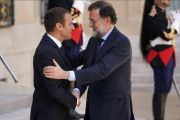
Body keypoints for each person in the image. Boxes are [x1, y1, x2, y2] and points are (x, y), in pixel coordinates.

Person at [43, 1, 135, 120]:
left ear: (107, 20)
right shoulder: (94, 41)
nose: (90, 25)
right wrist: (77, 90)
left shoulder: (122, 43)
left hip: (114, 110)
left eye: (93, 20)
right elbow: (84, 66)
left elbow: (100, 70)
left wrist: (66, 74)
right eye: (90, 20)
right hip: (94, 109)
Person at [30, 7, 80, 120]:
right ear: (59, 26)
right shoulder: (47, 51)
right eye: (70, 24)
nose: (73, 27)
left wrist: (93, 49)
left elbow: (72, 60)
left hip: (57, 112)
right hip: (48, 114)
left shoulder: (54, 45)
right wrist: (75, 100)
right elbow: (54, 89)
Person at [140, 0, 180, 120]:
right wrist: (177, 23)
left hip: (167, 54)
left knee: (165, 87)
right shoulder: (154, 15)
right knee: (161, 87)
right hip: (160, 55)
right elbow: (166, 34)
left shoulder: (163, 13)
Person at [48, 0, 85, 119]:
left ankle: (70, 106)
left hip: (73, 35)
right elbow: (61, 15)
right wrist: (76, 8)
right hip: (66, 39)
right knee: (65, 72)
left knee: (70, 72)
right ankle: (67, 107)